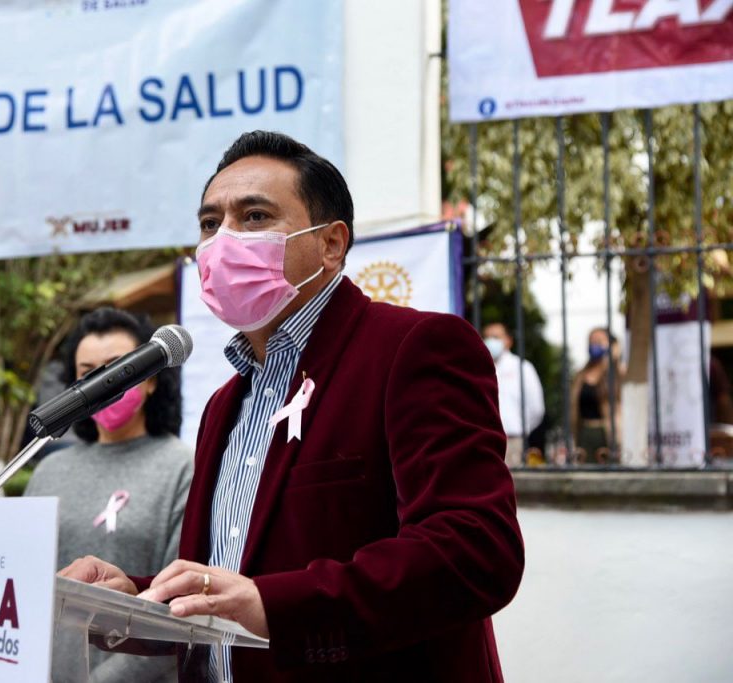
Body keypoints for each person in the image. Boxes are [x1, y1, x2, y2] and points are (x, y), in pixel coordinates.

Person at [61, 131, 524, 681]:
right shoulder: (225, 404)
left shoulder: (412, 349)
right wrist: (133, 600)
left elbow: (475, 550)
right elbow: (233, 581)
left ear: (331, 244)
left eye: (254, 217)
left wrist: (274, 606)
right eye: (210, 224)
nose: (223, 240)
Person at [25, 308, 193, 683]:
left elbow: (176, 608)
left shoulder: (183, 467)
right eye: (88, 372)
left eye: (118, 368)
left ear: (152, 380)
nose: (102, 383)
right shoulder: (49, 470)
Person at [482, 322, 545, 467]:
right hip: (485, 440)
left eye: (496, 337)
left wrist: (521, 430)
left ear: (508, 341)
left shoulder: (522, 367)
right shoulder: (477, 366)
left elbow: (536, 408)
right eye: (487, 337)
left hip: (514, 440)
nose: (490, 341)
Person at [569, 327, 624, 463]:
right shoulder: (581, 375)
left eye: (599, 341)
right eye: (591, 341)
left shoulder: (614, 372)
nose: (594, 345)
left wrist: (613, 355)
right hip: (584, 433)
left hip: (607, 433)